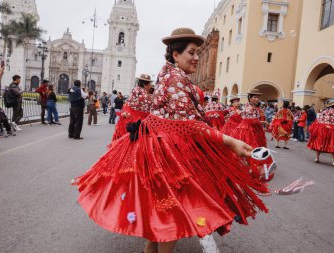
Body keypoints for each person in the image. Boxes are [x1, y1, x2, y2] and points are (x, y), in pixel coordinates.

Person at [72, 27, 268, 253]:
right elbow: (188, 124)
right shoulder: (174, 79)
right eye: (191, 53)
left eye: (197, 53)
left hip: (159, 146)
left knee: (164, 210)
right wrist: (229, 141)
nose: (196, 58)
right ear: (175, 55)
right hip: (166, 152)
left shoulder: (168, 75)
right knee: (173, 214)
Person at [110, 74, 153, 142]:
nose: (150, 86)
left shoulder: (134, 90)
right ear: (146, 84)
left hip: (128, 118)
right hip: (139, 121)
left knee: (123, 139)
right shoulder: (146, 94)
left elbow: (128, 104)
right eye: (149, 84)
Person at [307, 100, 334, 167]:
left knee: (320, 143)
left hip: (322, 130)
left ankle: (317, 158)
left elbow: (318, 120)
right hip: (333, 131)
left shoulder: (323, 112)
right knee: (333, 144)